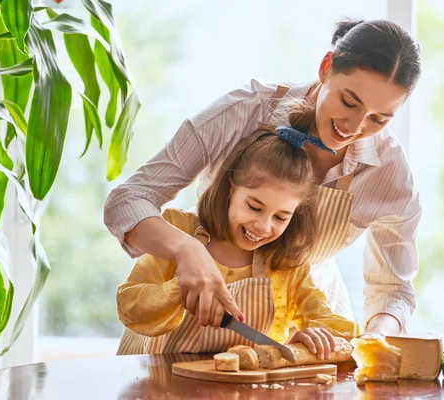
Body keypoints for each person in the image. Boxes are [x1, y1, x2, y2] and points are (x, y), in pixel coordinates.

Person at [104, 18, 422, 337]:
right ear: (326, 67)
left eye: (378, 119)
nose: (354, 127)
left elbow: (393, 291)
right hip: (179, 328)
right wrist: (187, 250)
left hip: (301, 340)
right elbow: (128, 200)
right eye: (349, 102)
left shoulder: (389, 173)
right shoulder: (245, 110)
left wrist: (375, 339)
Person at [115, 127, 359, 356]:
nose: (263, 226)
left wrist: (312, 337)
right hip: (162, 385)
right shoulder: (179, 229)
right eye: (254, 207)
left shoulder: (287, 265)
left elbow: (339, 328)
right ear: (231, 188)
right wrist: (180, 290)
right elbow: (129, 305)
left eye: (281, 217)